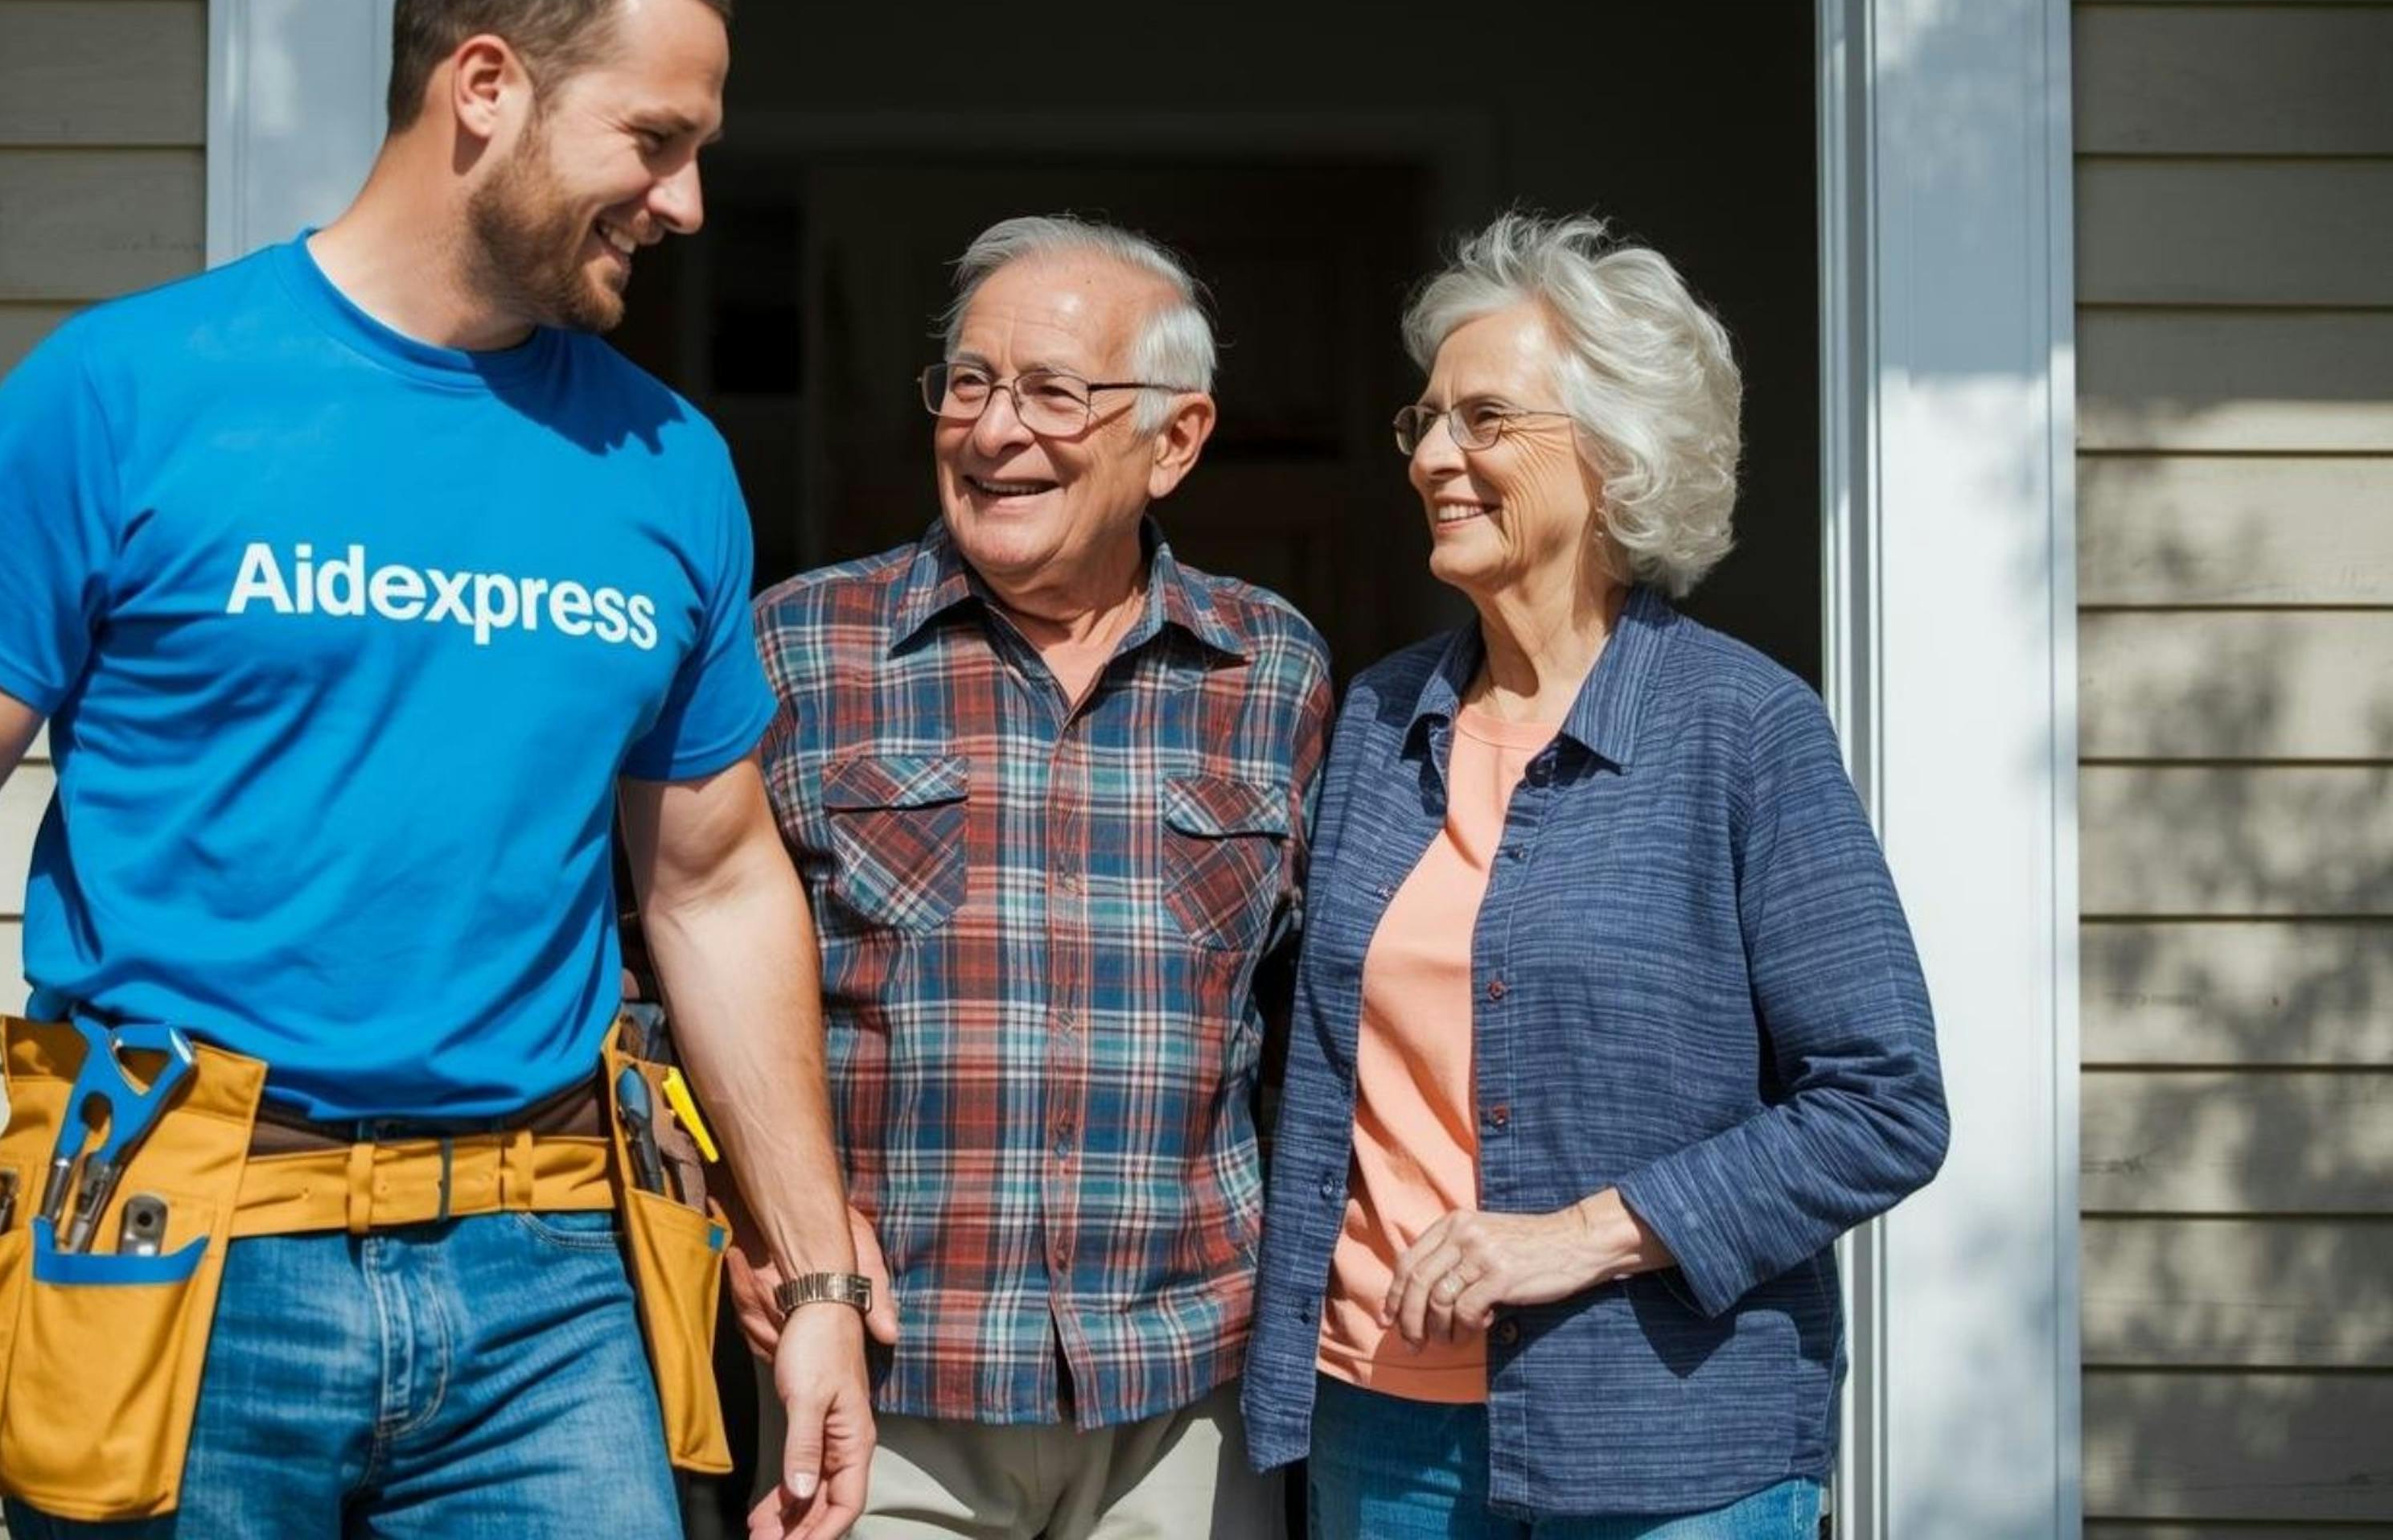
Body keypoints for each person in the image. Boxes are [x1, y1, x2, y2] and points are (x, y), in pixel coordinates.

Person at [0, 0, 875, 1540]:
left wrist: (823, 1278)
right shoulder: (125, 395)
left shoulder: (668, 465)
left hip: (546, 1283)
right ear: (485, 88)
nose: (689, 202)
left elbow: (712, 879)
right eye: (655, 139)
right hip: (182, 1259)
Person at [1241, 212, 1948, 1538]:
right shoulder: (1383, 718)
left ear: (1616, 451)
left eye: (1487, 420)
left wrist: (1581, 1234)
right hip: (1376, 1427)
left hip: (1667, 1441)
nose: (1437, 458)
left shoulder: (1744, 729)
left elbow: (1883, 1102)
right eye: (1426, 422)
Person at [738, 216, 1330, 1538]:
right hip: (882, 1380)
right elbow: (663, 981)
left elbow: (1316, 1021)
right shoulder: (799, 650)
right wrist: (740, 1207)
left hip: (1185, 1392)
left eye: (1054, 392)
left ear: (1174, 440)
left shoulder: (1273, 669)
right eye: (967, 383)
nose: (996, 430)